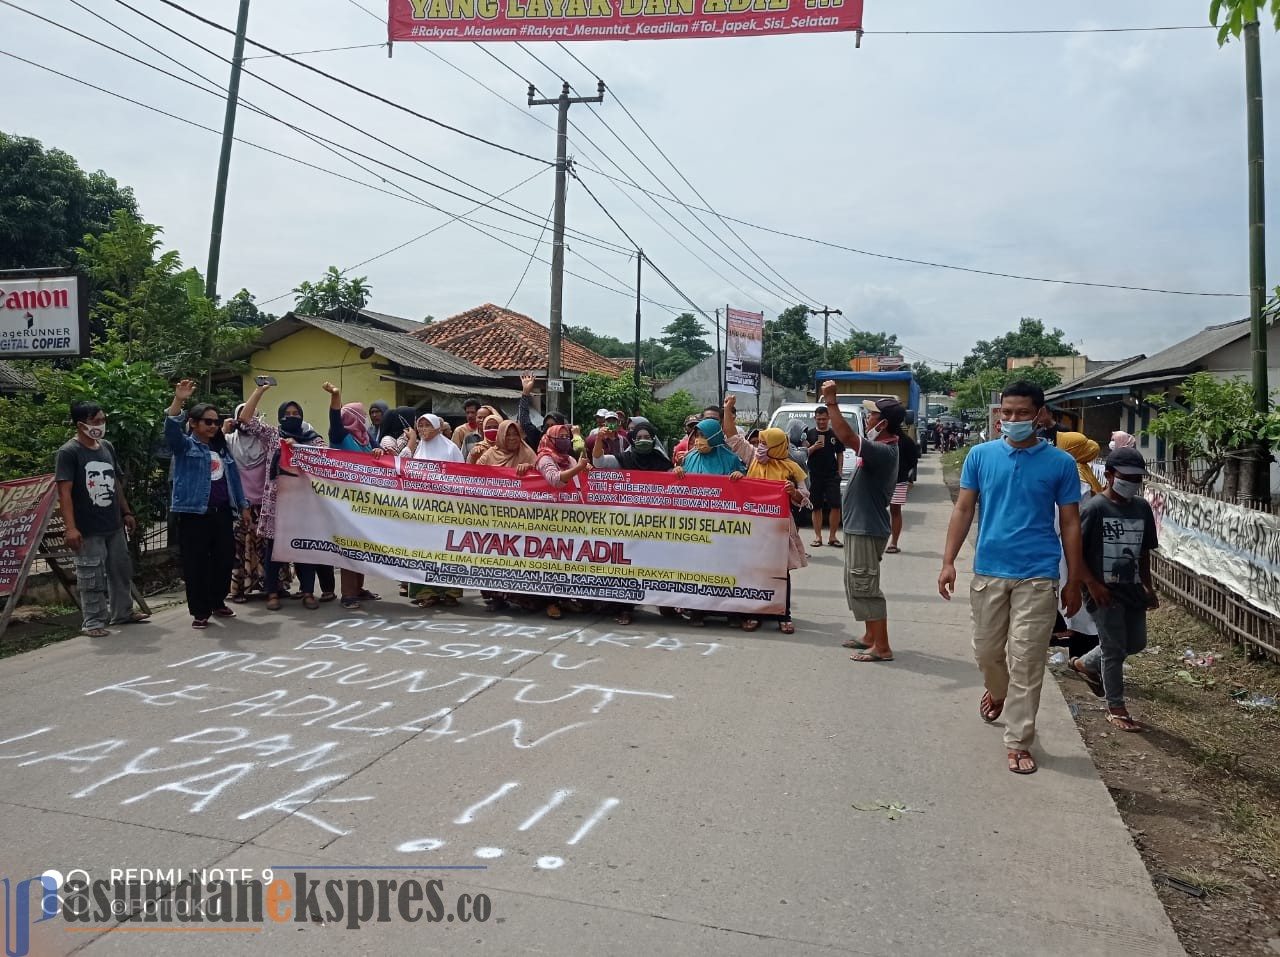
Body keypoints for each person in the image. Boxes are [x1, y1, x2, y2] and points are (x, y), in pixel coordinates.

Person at [938, 380, 1085, 776]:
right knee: (986, 651)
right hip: (989, 571)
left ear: (1039, 415)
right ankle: (998, 691)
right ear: (998, 413)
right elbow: (964, 509)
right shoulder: (981, 456)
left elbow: (1070, 523)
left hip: (1038, 574)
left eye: (1022, 413)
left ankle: (1018, 740)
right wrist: (949, 560)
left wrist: (1074, 579)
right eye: (1007, 413)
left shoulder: (1060, 464)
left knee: (1027, 659)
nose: (1013, 420)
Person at [1068, 448, 1159, 732]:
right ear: (1108, 476)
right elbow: (1075, 552)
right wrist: (1091, 585)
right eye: (1126, 477)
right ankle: (1116, 706)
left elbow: (1144, 551)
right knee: (1114, 648)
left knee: (1135, 643)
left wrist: (1148, 584)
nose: (1131, 483)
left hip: (1131, 587)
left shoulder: (1141, 508)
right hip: (1101, 590)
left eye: (1137, 478)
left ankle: (1084, 664)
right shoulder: (1095, 509)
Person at [818, 387, 901, 663]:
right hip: (859, 526)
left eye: (871, 416)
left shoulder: (884, 450)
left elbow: (846, 437)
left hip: (867, 528)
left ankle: (882, 646)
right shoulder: (882, 448)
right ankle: (869, 637)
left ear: (883, 423)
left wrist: (831, 402)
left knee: (865, 585)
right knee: (856, 583)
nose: (867, 420)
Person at [55, 400, 148, 637]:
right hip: (87, 527)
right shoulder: (69, 452)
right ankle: (93, 621)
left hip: (113, 523)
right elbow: (64, 493)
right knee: (91, 575)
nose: (100, 425)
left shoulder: (106, 446)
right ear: (80, 424)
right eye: (95, 421)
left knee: (120, 570)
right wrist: (71, 528)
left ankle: (123, 613)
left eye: (102, 420)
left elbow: (116, 483)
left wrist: (126, 512)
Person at [165, 379, 250, 630]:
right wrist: (179, 400)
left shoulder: (222, 449)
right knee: (196, 563)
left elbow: (233, 479)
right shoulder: (185, 446)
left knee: (224, 560)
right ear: (193, 423)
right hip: (194, 514)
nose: (213, 426)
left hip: (222, 513)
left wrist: (243, 507)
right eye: (208, 421)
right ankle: (200, 611)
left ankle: (217, 601)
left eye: (216, 422)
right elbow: (170, 430)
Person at [237, 383, 331, 610]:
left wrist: (298, 447)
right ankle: (272, 594)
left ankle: (308, 592)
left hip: (303, 504)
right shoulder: (272, 435)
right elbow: (246, 420)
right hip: (276, 503)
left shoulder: (311, 438)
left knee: (304, 548)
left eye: (296, 414)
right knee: (273, 550)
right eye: (287, 414)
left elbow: (325, 458)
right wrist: (260, 391)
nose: (292, 417)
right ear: (280, 417)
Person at [723, 397, 809, 634]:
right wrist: (727, 409)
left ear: (778, 446)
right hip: (754, 525)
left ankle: (784, 614)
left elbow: (805, 496)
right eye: (759, 442)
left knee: (781, 572)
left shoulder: (792, 468)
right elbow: (732, 436)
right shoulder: (752, 459)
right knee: (754, 569)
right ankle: (754, 614)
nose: (760, 446)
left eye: (765, 443)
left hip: (780, 528)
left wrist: (794, 493)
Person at [322, 382, 383, 608]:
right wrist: (336, 395)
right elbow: (334, 418)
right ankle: (348, 595)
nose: (365, 419)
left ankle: (359, 587)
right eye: (362, 415)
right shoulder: (340, 436)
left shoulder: (366, 439)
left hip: (367, 500)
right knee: (350, 546)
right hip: (346, 501)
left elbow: (380, 453)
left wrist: (378, 452)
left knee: (363, 546)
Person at [225, 402, 292, 602]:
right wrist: (223, 429)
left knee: (269, 547)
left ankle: (274, 585)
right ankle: (239, 589)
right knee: (241, 548)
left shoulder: (265, 442)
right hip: (241, 505)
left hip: (266, 503)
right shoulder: (229, 441)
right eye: (245, 416)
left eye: (254, 416)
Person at [406, 414, 466, 607]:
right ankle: (426, 593)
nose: (423, 429)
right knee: (424, 551)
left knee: (447, 550)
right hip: (423, 512)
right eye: (420, 425)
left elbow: (462, 476)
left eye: (427, 425)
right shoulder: (418, 451)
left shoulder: (451, 449)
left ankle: (450, 593)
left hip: (447, 510)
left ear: (436, 427)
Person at [533, 424, 592, 619]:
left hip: (567, 518)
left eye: (567, 436)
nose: (565, 440)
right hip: (547, 518)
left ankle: (564, 598)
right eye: (561, 437)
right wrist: (578, 469)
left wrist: (584, 469)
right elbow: (555, 480)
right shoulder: (545, 458)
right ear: (550, 439)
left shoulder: (569, 458)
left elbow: (577, 474)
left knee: (566, 560)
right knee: (550, 561)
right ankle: (550, 602)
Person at [805, 405, 845, 548]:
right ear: (815, 418)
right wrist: (813, 447)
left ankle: (833, 537)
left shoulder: (835, 435)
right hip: (815, 474)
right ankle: (818, 537)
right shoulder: (809, 434)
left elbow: (840, 453)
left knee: (835, 505)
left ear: (828, 418)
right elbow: (803, 454)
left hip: (832, 475)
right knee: (816, 506)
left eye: (823, 419)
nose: (821, 422)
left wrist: (840, 471)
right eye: (818, 419)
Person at [885, 423, 920, 555]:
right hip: (881, 481)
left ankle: (893, 542)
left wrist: (905, 474)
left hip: (898, 481)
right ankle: (883, 541)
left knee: (894, 510)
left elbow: (913, 460)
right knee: (884, 511)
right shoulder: (878, 439)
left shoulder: (905, 441)